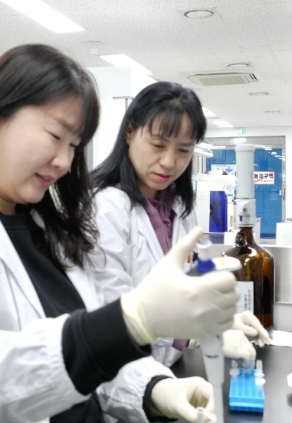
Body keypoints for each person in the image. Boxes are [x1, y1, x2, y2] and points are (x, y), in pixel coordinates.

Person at [0, 44, 240, 423]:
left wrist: (155, 389)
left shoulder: (49, 231)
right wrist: (130, 321)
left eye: (73, 145)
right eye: (54, 136)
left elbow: (86, 358)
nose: (64, 161)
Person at [91, 81, 271, 367]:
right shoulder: (105, 208)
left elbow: (185, 291)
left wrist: (221, 320)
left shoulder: (180, 207)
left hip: (170, 366)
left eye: (184, 150)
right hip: (125, 372)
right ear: (129, 133)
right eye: (158, 145)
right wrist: (197, 333)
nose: (169, 162)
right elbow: (114, 314)